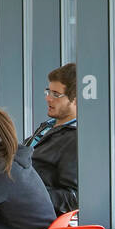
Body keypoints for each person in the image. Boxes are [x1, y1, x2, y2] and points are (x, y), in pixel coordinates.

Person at [25, 62, 77, 214]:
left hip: (35, 217)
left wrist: (24, 193)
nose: (48, 98)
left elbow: (73, 199)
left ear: (75, 99)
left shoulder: (74, 139)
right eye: (48, 91)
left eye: (56, 94)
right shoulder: (48, 126)